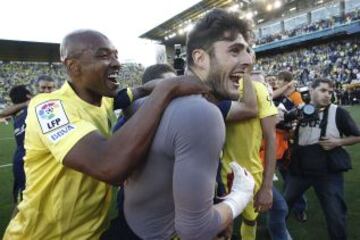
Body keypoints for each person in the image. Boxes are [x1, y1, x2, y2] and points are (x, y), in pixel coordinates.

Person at [3, 29, 207, 239]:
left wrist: (191, 83)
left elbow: (143, 89)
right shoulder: (49, 107)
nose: (117, 63)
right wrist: (168, 89)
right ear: (74, 67)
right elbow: (108, 165)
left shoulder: (104, 100)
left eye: (116, 55)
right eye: (103, 55)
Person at [116, 9, 256, 240]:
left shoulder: (153, 100)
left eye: (247, 52)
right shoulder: (201, 113)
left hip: (131, 227)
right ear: (200, 58)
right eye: (234, 50)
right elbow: (195, 229)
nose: (248, 61)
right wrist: (239, 196)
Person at [285, 78, 360, 240]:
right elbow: (292, 136)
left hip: (328, 172)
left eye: (330, 92)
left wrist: (338, 142)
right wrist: (291, 131)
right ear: (311, 90)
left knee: (335, 215)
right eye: (323, 90)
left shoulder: (338, 112)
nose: (328, 95)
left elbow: (357, 136)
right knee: (283, 206)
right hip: (301, 170)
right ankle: (277, 233)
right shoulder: (301, 110)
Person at [221, 71, 278, 240]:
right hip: (215, 174)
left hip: (249, 173)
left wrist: (267, 186)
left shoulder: (257, 88)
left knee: (250, 220)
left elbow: (271, 137)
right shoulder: (211, 88)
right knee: (220, 226)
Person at [273, 70, 308, 223]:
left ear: (287, 82)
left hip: (290, 144)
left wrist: (293, 131)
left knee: (292, 178)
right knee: (285, 176)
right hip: (277, 142)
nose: (276, 83)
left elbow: (303, 117)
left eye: (279, 81)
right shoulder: (279, 96)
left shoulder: (296, 96)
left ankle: (299, 208)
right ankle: (287, 206)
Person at [4, 86, 32, 207]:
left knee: (21, 201)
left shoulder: (15, 113)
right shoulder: (31, 108)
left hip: (19, 159)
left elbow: (2, 113)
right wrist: (26, 103)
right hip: (29, 159)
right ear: (28, 95)